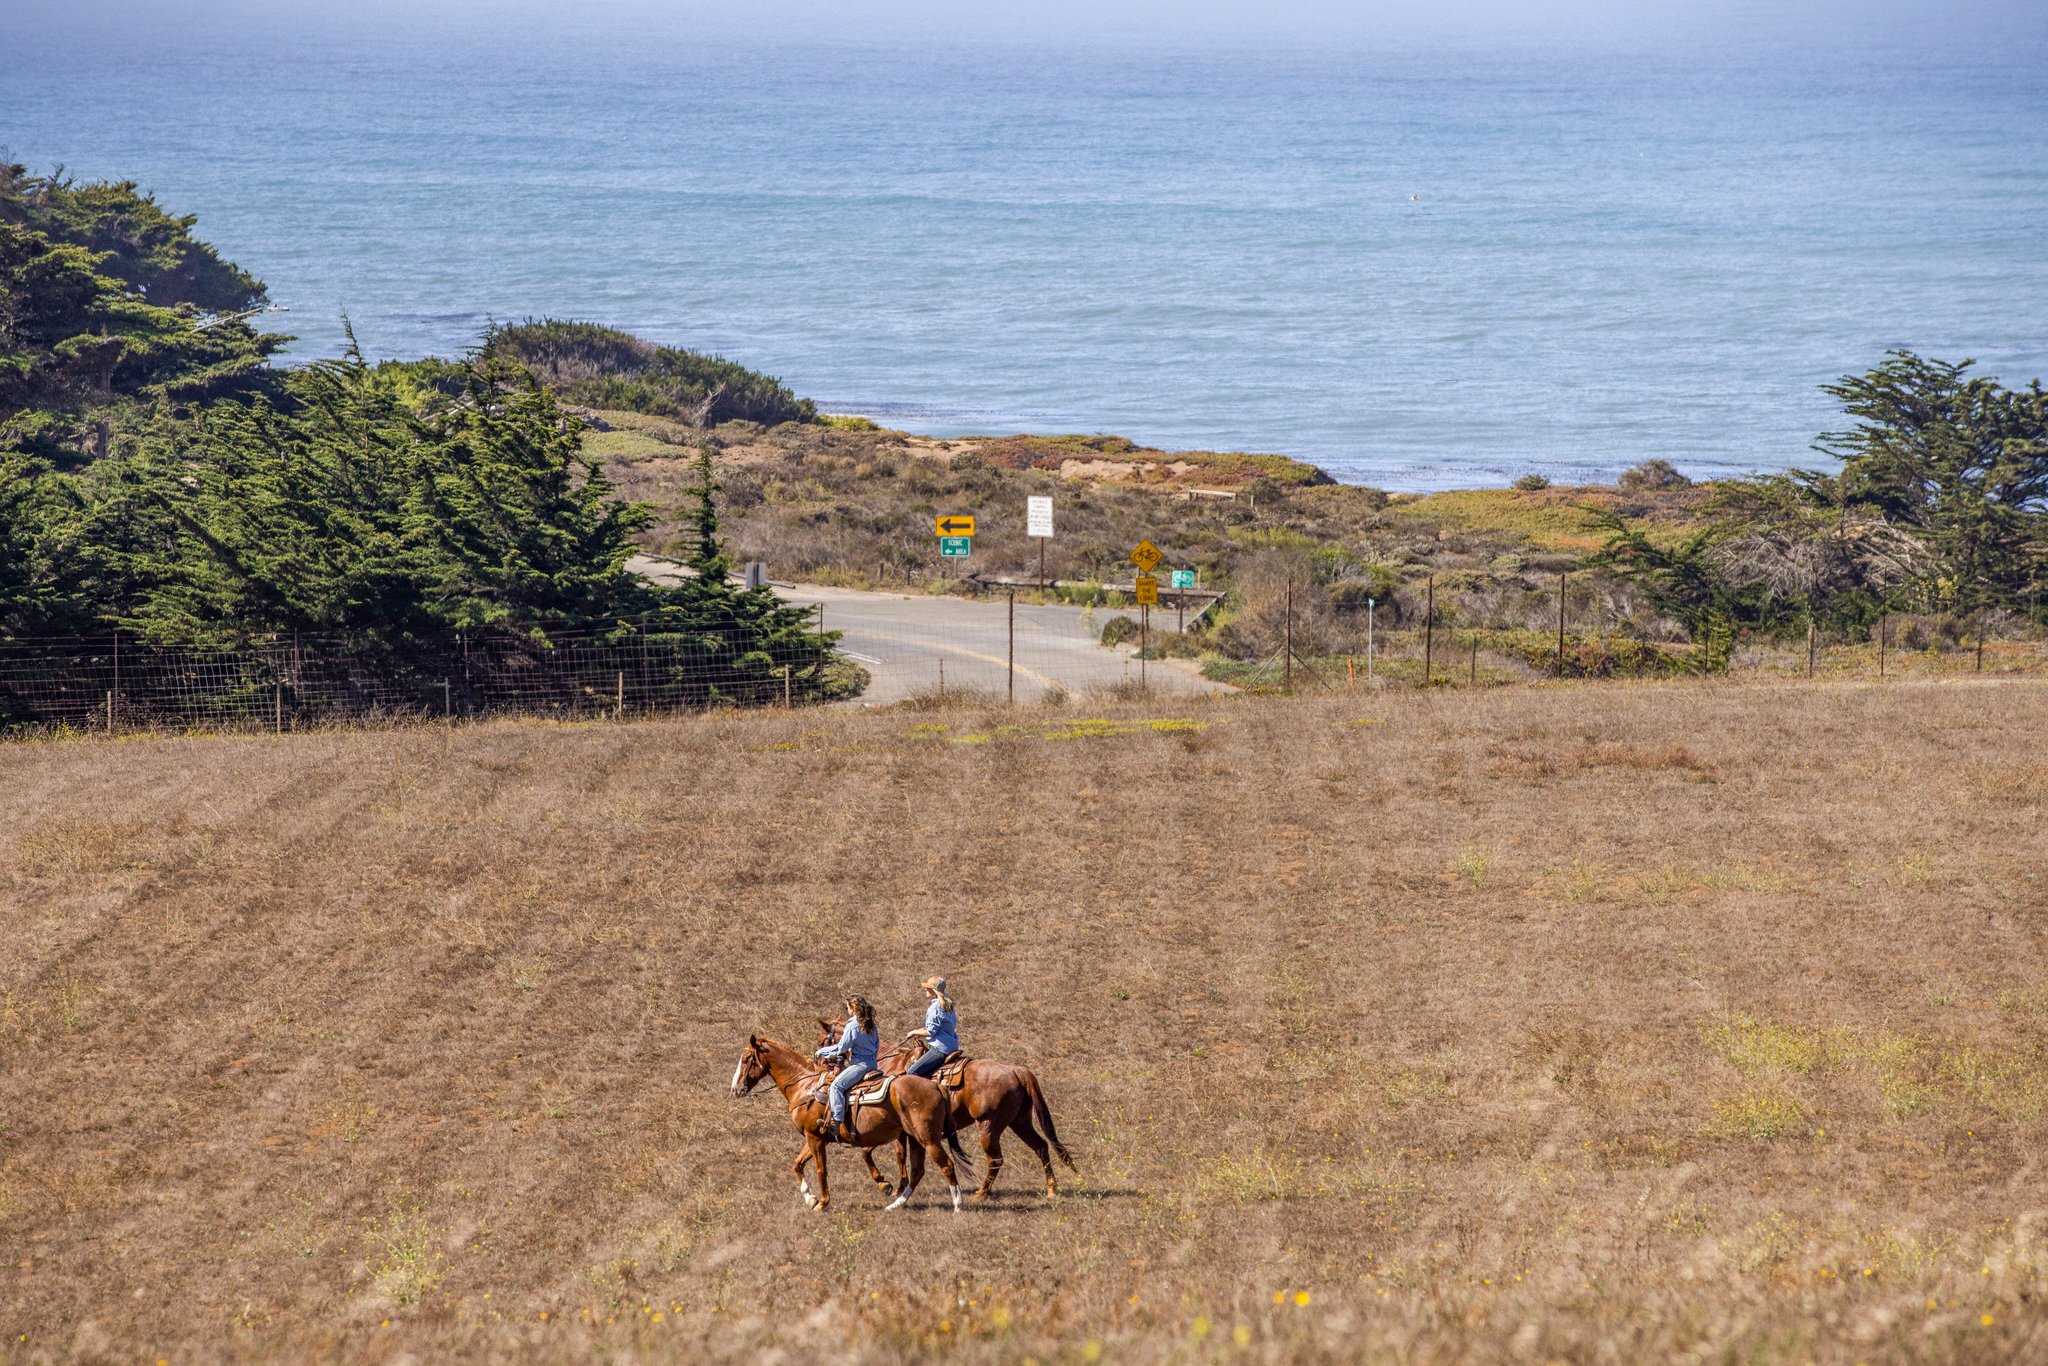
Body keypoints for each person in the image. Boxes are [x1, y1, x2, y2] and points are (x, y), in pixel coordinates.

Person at [814, 993, 879, 1141]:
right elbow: (877, 1045)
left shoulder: (852, 1025)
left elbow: (841, 1048)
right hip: (873, 1063)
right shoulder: (870, 1024)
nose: (847, 1009)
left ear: (852, 1008)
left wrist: (821, 1051)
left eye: (847, 1007)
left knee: (836, 1086)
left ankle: (836, 1122)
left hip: (860, 1065)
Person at [903, 976, 959, 1079]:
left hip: (940, 1049)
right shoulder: (948, 1005)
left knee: (911, 1074)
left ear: (934, 990)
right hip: (952, 1047)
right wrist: (919, 1031)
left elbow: (930, 1032)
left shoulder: (935, 1007)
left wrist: (914, 1032)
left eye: (927, 988)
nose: (925, 989)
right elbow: (938, 1027)